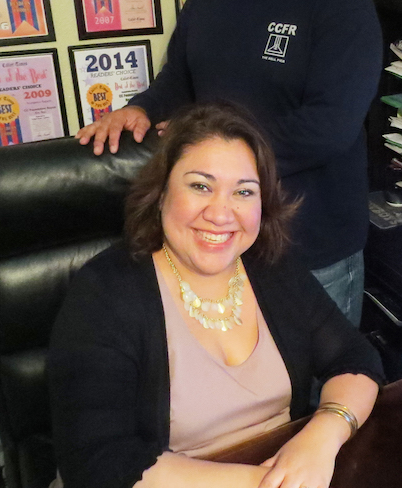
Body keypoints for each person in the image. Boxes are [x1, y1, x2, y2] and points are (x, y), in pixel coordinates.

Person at [76, 0, 383, 325]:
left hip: (311, 255)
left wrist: (207, 155)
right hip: (217, 245)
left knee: (312, 394)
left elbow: (327, 129)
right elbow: (180, 78)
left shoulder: (343, 2)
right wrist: (144, 108)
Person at [49, 102, 384, 488]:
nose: (222, 214)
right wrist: (261, 483)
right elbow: (96, 461)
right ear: (161, 194)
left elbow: (354, 358)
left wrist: (323, 435)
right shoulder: (104, 291)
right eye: (201, 186)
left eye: (243, 191)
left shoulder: (269, 266)